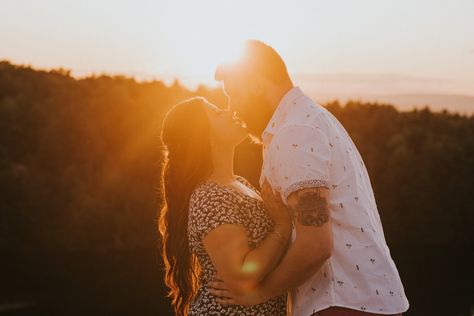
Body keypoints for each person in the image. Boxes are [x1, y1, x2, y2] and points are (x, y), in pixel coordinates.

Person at [209, 40, 410, 316]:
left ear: (255, 83)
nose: (233, 107)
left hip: (341, 303)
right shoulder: (308, 120)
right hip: (356, 301)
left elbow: (315, 246)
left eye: (234, 94)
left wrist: (257, 294)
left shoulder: (295, 133)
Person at [158, 97, 291, 316]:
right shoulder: (210, 196)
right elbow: (242, 276)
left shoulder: (240, 184)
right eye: (217, 113)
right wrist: (282, 229)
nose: (229, 112)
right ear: (202, 137)